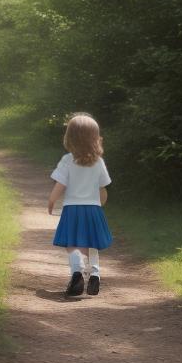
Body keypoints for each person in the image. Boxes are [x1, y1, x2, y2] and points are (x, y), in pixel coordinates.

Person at [48, 112, 113, 298]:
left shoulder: (67, 160)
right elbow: (103, 188)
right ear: (95, 138)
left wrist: (52, 200)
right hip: (93, 209)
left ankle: (77, 274)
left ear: (70, 137)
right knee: (91, 243)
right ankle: (95, 275)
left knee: (74, 243)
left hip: (72, 209)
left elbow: (60, 185)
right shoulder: (98, 162)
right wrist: (101, 204)